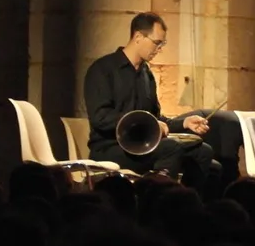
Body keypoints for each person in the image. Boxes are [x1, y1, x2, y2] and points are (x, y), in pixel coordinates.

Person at [84, 12, 216, 181]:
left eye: (162, 44)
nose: (159, 49)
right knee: (171, 148)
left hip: (144, 145)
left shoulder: (146, 74)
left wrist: (184, 123)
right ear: (138, 36)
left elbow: (155, 118)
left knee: (204, 152)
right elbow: (100, 118)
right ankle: (156, 199)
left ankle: (188, 203)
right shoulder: (103, 69)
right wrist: (147, 124)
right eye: (157, 43)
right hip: (110, 147)